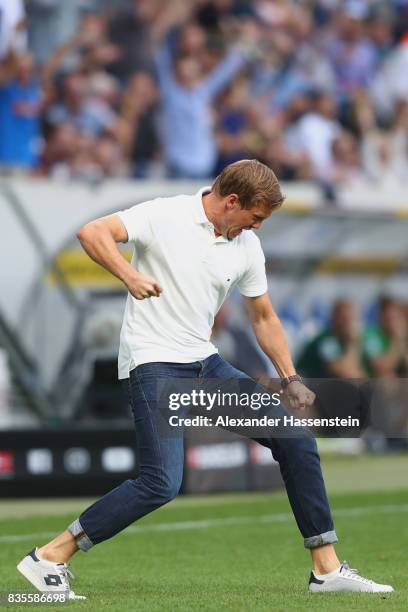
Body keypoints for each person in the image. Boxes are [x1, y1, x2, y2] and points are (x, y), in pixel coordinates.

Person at [16, 160, 394, 598]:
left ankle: (326, 570)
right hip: (153, 363)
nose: (257, 227)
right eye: (256, 217)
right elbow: (92, 233)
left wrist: (289, 377)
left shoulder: (247, 245)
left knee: (296, 438)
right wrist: (131, 275)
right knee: (161, 483)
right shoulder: (164, 214)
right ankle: (48, 557)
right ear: (232, 202)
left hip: (205, 364)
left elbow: (265, 317)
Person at [296, 299, 366, 379]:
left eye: (351, 318)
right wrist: (352, 344)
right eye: (344, 318)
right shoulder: (326, 340)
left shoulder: (344, 340)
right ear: (335, 318)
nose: (348, 323)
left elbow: (359, 372)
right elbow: (344, 373)